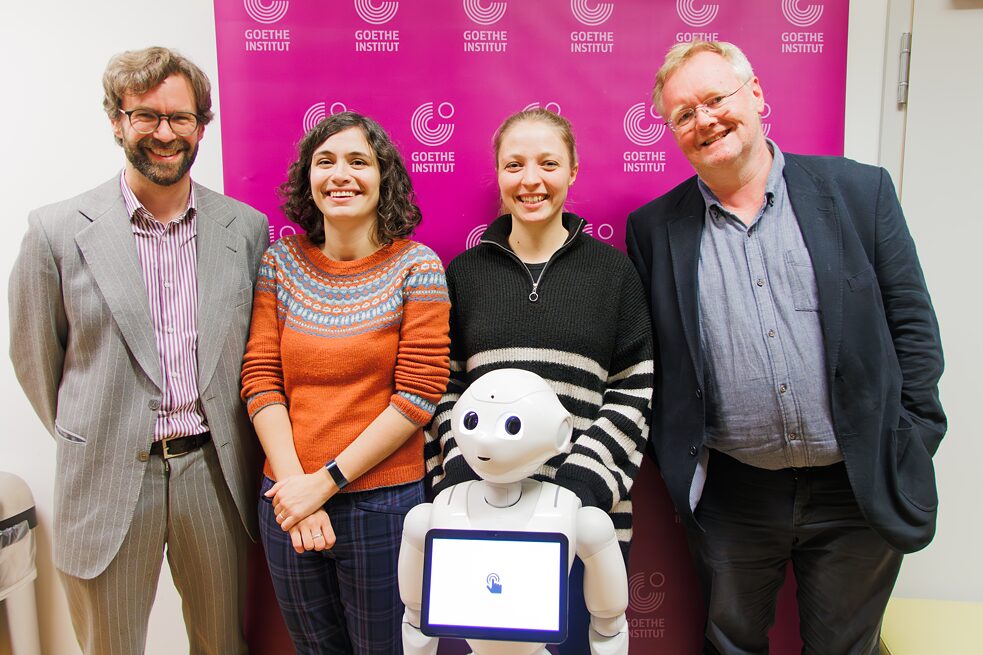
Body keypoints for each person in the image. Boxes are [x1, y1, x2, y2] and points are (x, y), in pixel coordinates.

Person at [625, 40, 946, 655]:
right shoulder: (654, 230)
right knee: (731, 643)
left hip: (857, 483)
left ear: (757, 95)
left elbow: (913, 330)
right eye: (683, 114)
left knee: (846, 648)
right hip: (732, 493)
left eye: (716, 99)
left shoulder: (859, 192)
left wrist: (910, 438)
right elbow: (656, 364)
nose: (705, 120)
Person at [8, 46, 269, 654]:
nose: (163, 133)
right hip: (105, 474)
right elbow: (35, 360)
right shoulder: (55, 232)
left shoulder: (244, 229)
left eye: (179, 118)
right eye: (145, 116)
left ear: (202, 126)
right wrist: (96, 430)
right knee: (110, 644)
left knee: (222, 642)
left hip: (213, 472)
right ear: (117, 121)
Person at [426, 108, 653, 653]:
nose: (531, 180)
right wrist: (470, 479)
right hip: (483, 519)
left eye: (549, 163)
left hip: (583, 525)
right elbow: (443, 388)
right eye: (515, 164)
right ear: (498, 173)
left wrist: (574, 493)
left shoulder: (613, 273)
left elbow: (634, 387)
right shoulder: (464, 273)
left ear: (573, 171)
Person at [240, 111, 451, 654]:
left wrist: (324, 483)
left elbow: (419, 394)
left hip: (382, 506)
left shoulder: (417, 267)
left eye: (359, 161)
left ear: (384, 178)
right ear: (308, 180)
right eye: (325, 161)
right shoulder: (280, 263)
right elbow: (262, 379)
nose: (341, 174)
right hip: (286, 500)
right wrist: (297, 492)